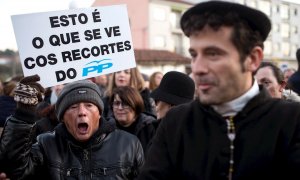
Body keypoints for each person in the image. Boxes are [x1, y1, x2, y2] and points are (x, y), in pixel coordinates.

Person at [138, 1, 300, 180]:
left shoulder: (292, 122)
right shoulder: (176, 122)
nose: (197, 68)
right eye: (194, 55)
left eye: (213, 54)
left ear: (253, 59)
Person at [0, 75, 144, 179]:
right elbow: (15, 169)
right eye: (73, 107)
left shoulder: (129, 144)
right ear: (62, 117)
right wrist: (23, 114)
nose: (82, 112)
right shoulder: (46, 145)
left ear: (99, 113)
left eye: (89, 105)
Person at [110, 86, 156, 154]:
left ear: (135, 105)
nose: (120, 108)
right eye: (116, 103)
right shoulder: (108, 128)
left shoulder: (150, 126)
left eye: (125, 104)